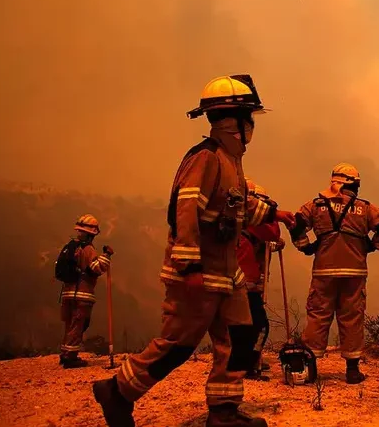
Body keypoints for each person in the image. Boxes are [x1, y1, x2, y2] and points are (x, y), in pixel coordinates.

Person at [92, 74, 296, 427]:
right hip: (200, 274)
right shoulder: (206, 158)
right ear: (234, 121)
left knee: (240, 338)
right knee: (177, 344)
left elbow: (237, 208)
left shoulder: (232, 163)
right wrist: (189, 268)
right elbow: (185, 210)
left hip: (227, 275)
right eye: (249, 119)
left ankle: (224, 411)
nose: (252, 128)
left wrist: (279, 214)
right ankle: (118, 390)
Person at [289, 163, 379, 384]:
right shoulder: (365, 208)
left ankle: (310, 368)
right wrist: (372, 246)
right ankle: (352, 370)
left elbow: (295, 223)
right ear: (354, 184)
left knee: (318, 316)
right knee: (352, 317)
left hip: (323, 271)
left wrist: (305, 246)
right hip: (354, 272)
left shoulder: (316, 205)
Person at [238, 179, 285, 380]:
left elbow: (261, 242)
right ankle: (248, 364)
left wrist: (275, 245)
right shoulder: (251, 219)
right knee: (259, 325)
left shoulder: (238, 223)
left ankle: (244, 361)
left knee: (239, 325)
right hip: (245, 284)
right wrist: (272, 213)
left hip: (237, 282)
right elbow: (272, 232)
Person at [58, 214, 112, 368]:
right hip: (82, 294)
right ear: (92, 233)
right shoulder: (87, 249)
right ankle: (71, 357)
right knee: (78, 325)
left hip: (67, 293)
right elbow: (95, 268)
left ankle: (64, 353)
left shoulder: (71, 246)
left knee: (69, 324)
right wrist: (106, 256)